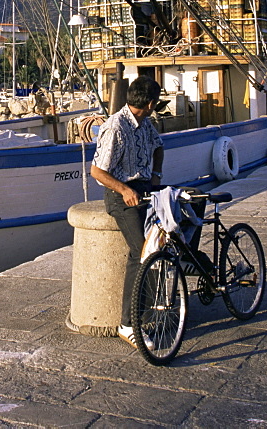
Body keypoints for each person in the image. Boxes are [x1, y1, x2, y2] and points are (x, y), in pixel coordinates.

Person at [89, 75, 164, 348]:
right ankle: (128, 324)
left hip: (144, 188)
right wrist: (124, 190)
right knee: (141, 252)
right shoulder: (116, 127)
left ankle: (159, 300)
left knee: (175, 227)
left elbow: (159, 147)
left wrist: (156, 176)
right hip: (121, 195)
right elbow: (97, 171)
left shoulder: (145, 124)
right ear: (151, 103)